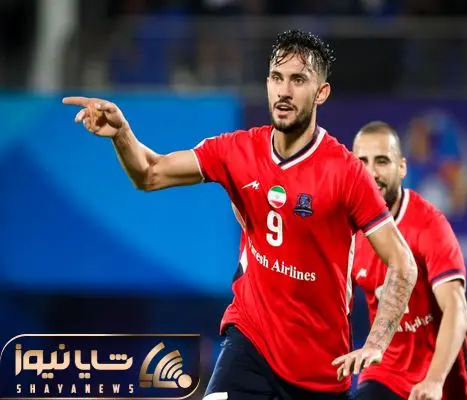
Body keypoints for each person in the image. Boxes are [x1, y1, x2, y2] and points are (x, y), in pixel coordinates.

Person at [63, 30, 417, 400]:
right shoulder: (237, 151)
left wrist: (376, 343)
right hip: (251, 342)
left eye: (298, 80)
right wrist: (122, 133)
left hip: (320, 368)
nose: (284, 91)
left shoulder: (346, 173)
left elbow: (403, 263)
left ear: (321, 93)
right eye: (277, 78)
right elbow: (150, 173)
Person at [351, 121, 467, 400]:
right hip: (385, 372)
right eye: (362, 162)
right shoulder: (348, 231)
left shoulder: (429, 225)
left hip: (442, 382)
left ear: (402, 167)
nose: (371, 173)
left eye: (382, 161)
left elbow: (457, 309)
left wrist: (434, 381)